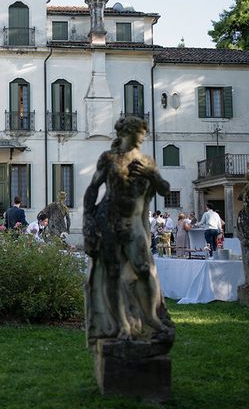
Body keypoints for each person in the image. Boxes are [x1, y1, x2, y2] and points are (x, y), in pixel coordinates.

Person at [83, 115, 173, 347]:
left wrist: (151, 175)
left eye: (144, 135)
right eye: (139, 134)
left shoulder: (146, 162)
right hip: (108, 219)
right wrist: (88, 221)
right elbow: (92, 189)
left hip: (133, 223)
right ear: (126, 133)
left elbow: (165, 189)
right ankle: (122, 324)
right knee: (112, 272)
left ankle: (151, 317)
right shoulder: (110, 158)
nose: (142, 138)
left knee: (145, 269)